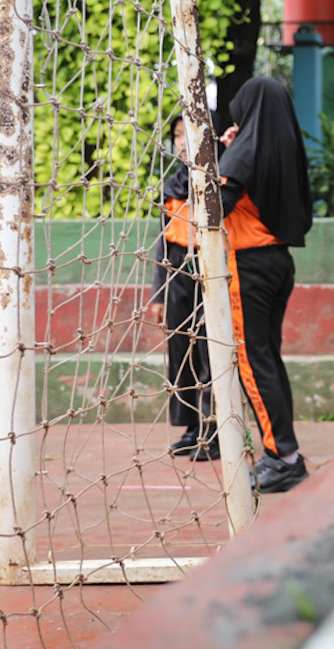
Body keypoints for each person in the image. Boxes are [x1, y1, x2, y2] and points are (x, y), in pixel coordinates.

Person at [217, 77, 314, 493]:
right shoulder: (285, 151)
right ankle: (284, 453)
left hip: (249, 264)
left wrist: (224, 157)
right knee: (268, 358)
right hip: (279, 263)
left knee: (252, 362)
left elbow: (217, 206)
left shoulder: (243, 153)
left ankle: (283, 458)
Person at [149, 116, 215, 461]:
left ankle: (213, 427)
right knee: (180, 347)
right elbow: (163, 242)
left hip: (210, 267)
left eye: (187, 134)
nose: (181, 142)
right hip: (177, 270)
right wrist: (158, 293)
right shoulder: (172, 185)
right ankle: (191, 426)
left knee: (208, 348)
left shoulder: (217, 179)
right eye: (176, 136)